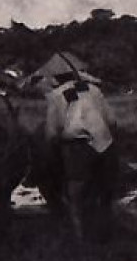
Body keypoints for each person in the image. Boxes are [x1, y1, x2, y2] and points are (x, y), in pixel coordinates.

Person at [33, 52, 119, 244]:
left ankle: (79, 237)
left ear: (55, 78)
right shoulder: (93, 90)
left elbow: (51, 133)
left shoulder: (55, 96)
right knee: (104, 191)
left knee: (75, 194)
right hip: (103, 144)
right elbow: (112, 121)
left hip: (77, 148)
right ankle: (106, 230)